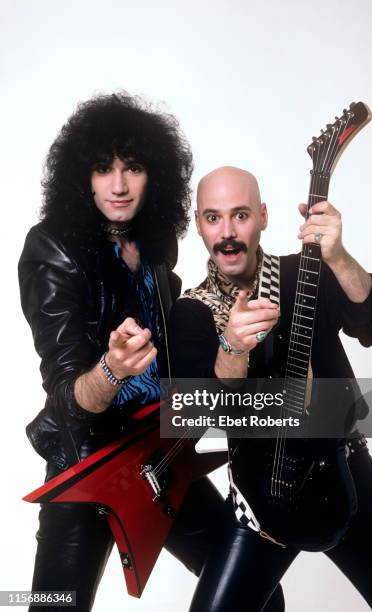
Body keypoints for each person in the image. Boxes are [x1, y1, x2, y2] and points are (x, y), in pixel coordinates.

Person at [19, 97, 288, 612]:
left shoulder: (156, 243)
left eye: (133, 168)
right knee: (53, 605)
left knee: (256, 592)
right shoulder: (51, 249)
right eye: (103, 169)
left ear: (154, 175)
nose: (118, 186)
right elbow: (67, 397)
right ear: (83, 176)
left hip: (159, 458)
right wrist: (111, 370)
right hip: (89, 467)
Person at [170, 166, 372, 611]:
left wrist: (338, 257)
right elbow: (195, 413)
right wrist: (231, 347)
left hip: (341, 470)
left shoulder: (307, 272)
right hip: (259, 494)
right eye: (213, 218)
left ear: (263, 215)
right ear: (198, 223)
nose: (227, 233)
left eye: (240, 215)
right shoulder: (190, 313)